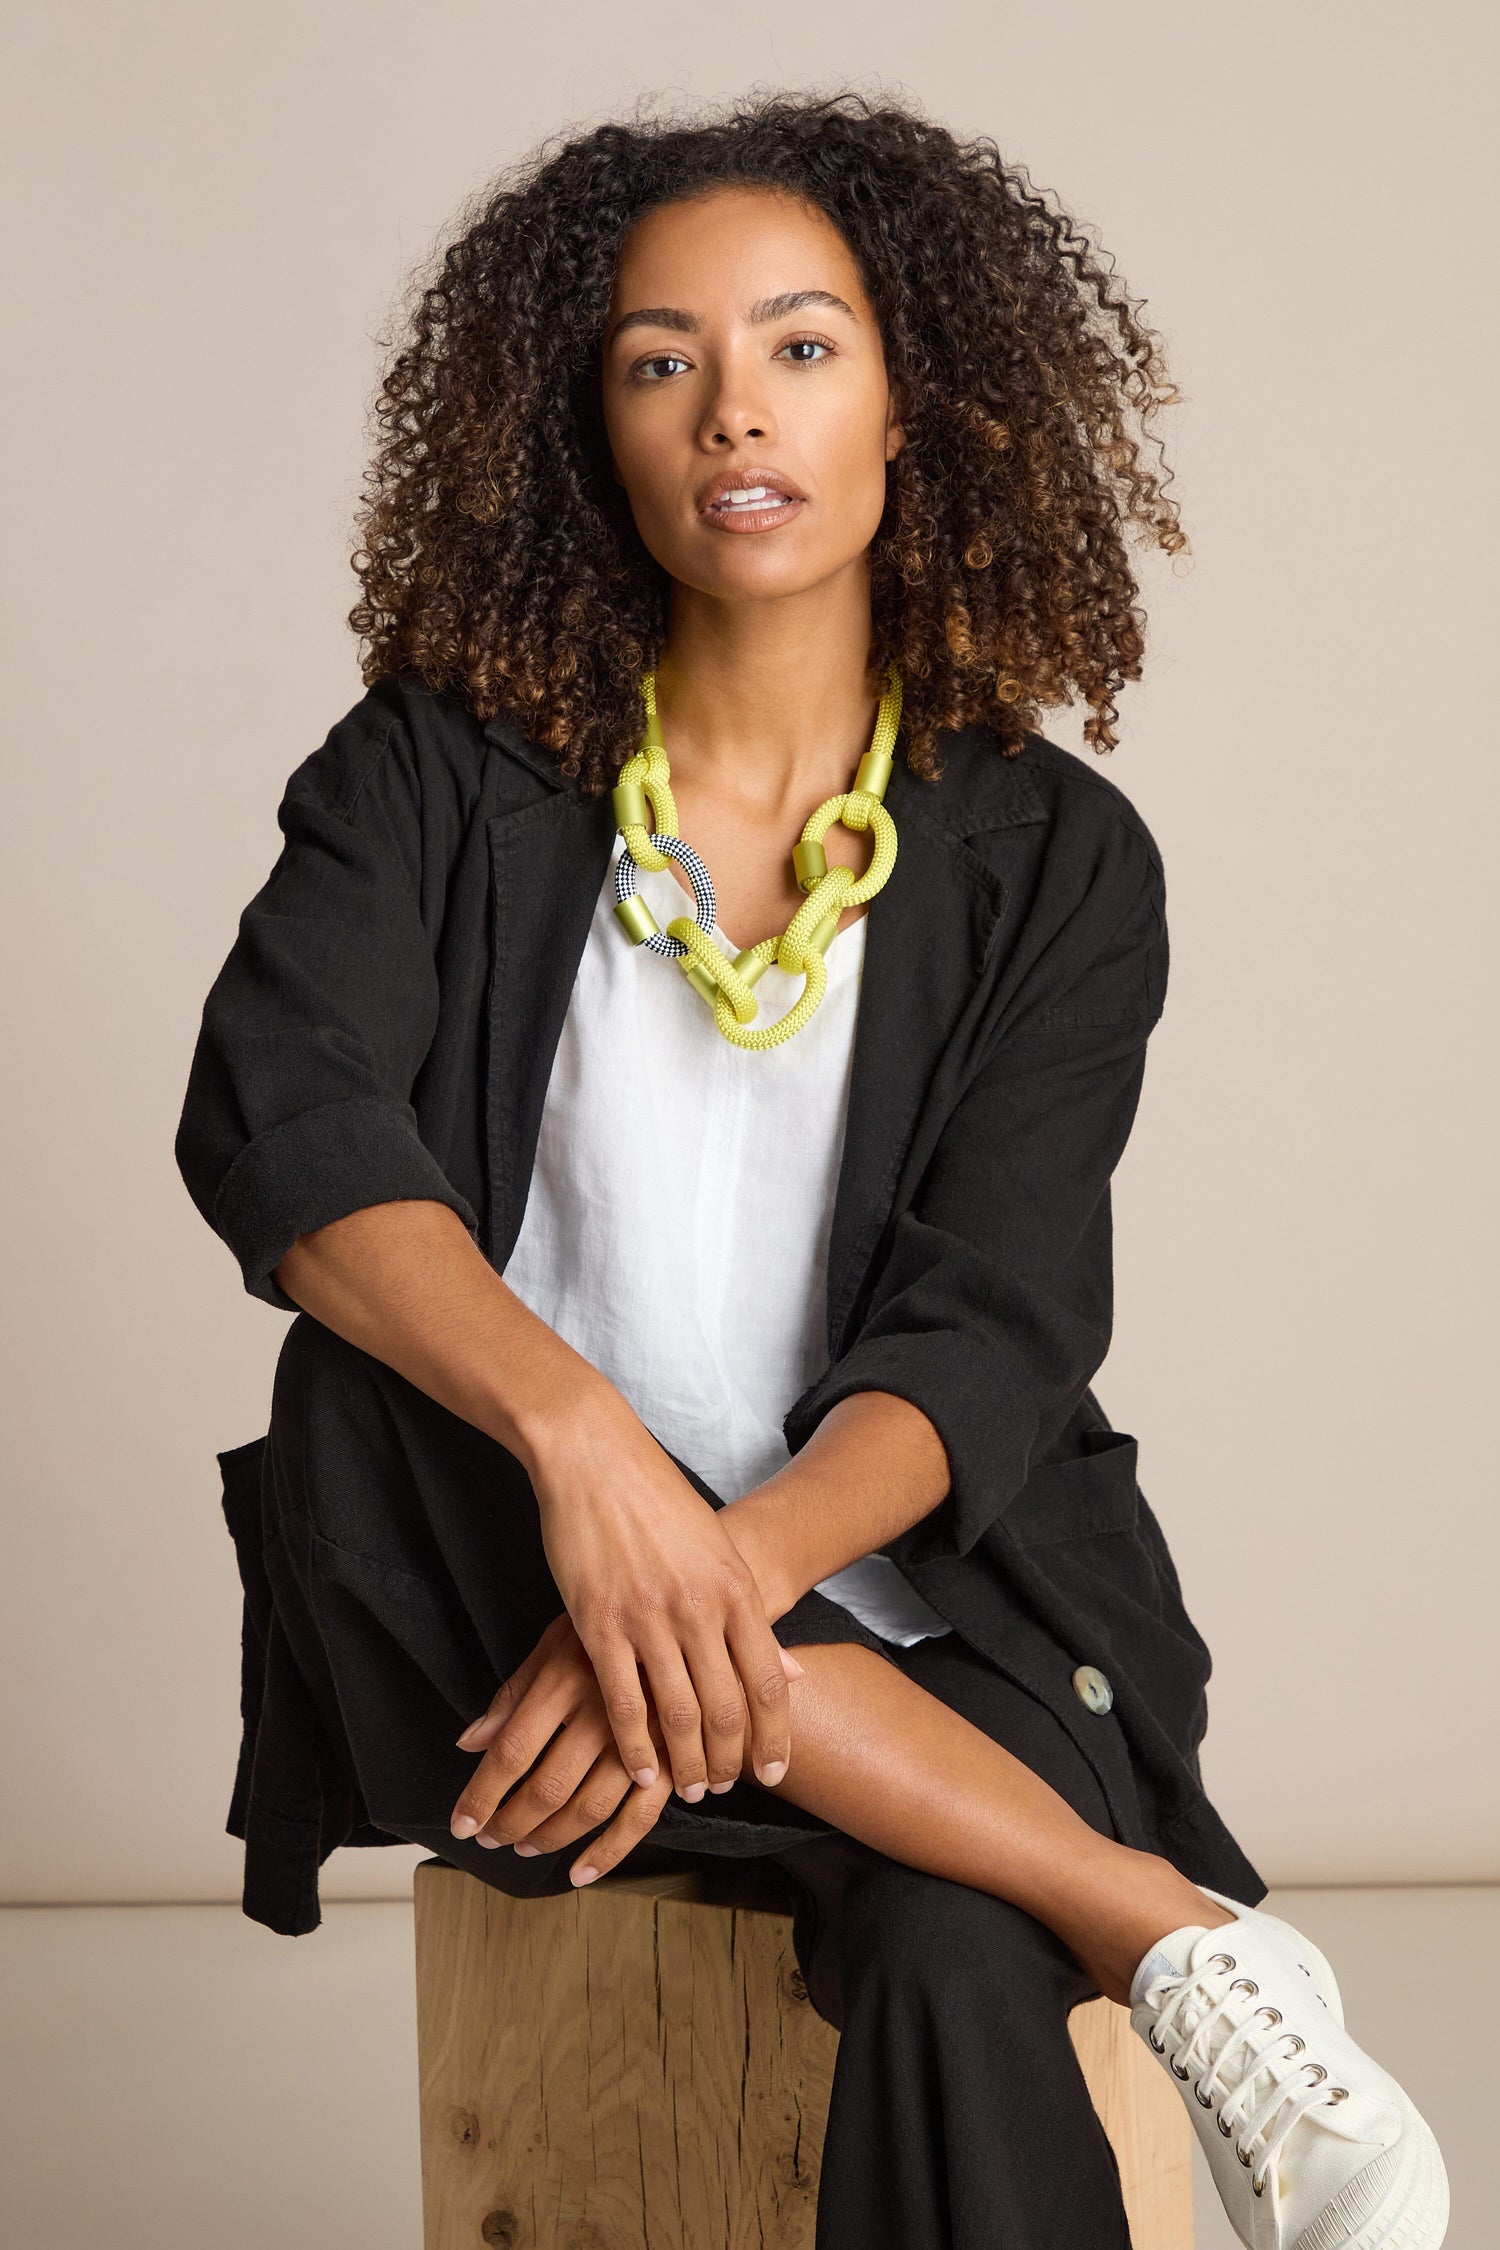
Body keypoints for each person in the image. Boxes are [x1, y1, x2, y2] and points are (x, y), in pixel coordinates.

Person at [175, 89, 1449, 2250]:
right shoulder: (431, 777)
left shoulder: (1057, 861)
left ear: (910, 407)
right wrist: (584, 1455)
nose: (729, 408)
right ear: (589, 428)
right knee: (393, 1415)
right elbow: (281, 1123)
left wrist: (707, 1576)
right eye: (660, 359)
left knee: (955, 1959)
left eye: (799, 344)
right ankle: (1173, 1937)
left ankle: (1089, 1911)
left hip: (895, 1613)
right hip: (503, 1591)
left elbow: (999, 1322)